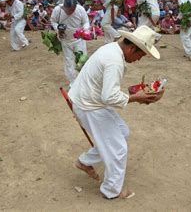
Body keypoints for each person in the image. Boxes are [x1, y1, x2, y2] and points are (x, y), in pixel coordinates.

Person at [69, 26, 163, 199]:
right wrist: (136, 97)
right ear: (132, 48)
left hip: (89, 100)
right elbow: (109, 96)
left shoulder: (112, 49)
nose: (139, 59)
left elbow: (107, 91)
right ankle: (112, 190)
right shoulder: (115, 60)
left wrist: (133, 93)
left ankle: (85, 162)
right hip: (90, 106)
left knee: (122, 133)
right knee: (118, 148)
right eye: (140, 55)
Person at [50, 0, 89, 84]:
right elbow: (53, 21)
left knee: (81, 59)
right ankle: (73, 82)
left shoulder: (80, 9)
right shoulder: (57, 10)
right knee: (69, 61)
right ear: (64, 6)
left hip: (79, 39)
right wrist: (58, 29)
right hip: (65, 40)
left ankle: (83, 80)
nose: (71, 11)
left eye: (73, 9)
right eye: (69, 9)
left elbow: (86, 22)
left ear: (76, 6)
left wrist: (84, 30)